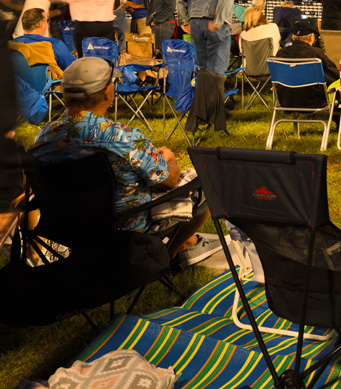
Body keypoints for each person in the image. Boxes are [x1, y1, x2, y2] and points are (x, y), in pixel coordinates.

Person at [31, 56, 218, 264]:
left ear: (64, 94)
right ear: (107, 92)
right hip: (125, 229)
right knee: (205, 183)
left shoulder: (44, 138)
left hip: (68, 229)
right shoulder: (123, 138)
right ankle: (168, 256)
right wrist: (170, 159)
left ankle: (186, 243)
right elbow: (168, 181)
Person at [276, 18, 339, 84]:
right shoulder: (316, 53)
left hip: (286, 92)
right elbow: (333, 72)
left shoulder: (281, 53)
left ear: (293, 37)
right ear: (311, 38)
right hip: (312, 92)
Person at [12, 8, 76, 72]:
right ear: (41, 24)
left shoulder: (13, 44)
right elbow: (75, 67)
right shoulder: (55, 44)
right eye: (47, 20)